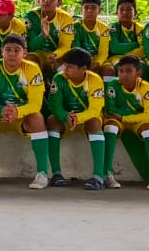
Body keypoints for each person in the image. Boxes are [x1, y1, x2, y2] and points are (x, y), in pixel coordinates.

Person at [0, 32, 47, 189]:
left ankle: (42, 173)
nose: (12, 54)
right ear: (2, 51)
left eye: (17, 50)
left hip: (22, 115)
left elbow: (36, 103)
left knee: (37, 118)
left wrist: (17, 112)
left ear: (25, 53)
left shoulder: (32, 69)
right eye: (8, 50)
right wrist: (1, 110)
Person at [43, 48, 107, 190]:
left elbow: (95, 109)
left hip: (86, 116)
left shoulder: (95, 80)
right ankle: (56, 174)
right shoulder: (59, 78)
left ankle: (98, 176)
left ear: (83, 69)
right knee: (52, 121)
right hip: (66, 116)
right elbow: (55, 105)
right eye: (65, 65)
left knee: (95, 123)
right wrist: (65, 116)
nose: (65, 69)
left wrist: (78, 117)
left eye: (70, 67)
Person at [102, 54, 149, 188]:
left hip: (133, 120)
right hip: (119, 119)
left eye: (129, 71)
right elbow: (110, 109)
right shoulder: (113, 85)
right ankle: (107, 173)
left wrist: (124, 117)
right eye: (121, 71)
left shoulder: (146, 87)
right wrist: (123, 117)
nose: (124, 75)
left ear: (138, 73)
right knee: (110, 127)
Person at [24, 0, 74, 75]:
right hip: (38, 54)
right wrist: (43, 36)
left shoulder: (66, 18)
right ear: (38, 0)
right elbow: (31, 47)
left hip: (57, 55)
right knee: (30, 60)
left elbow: (65, 46)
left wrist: (54, 55)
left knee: (67, 69)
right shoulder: (31, 16)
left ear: (59, 3)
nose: (47, 1)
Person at [103, 0, 143, 78]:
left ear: (135, 13)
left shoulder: (140, 29)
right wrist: (136, 44)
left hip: (135, 58)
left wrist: (128, 55)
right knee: (119, 68)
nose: (125, 12)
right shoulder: (113, 28)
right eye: (121, 10)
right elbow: (115, 48)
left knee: (143, 67)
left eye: (129, 10)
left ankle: (142, 86)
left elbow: (143, 49)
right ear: (116, 13)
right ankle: (112, 87)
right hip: (115, 58)